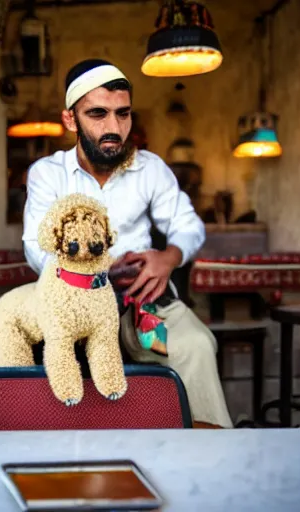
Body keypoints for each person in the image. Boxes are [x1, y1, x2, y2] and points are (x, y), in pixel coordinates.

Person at [22, 58, 233, 428]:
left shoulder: (150, 168)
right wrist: (99, 271)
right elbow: (35, 249)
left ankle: (205, 455)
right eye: (98, 114)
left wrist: (168, 257)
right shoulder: (47, 174)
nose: (114, 127)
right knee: (56, 364)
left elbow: (190, 228)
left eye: (123, 114)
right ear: (71, 120)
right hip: (76, 311)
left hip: (142, 311)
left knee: (194, 346)